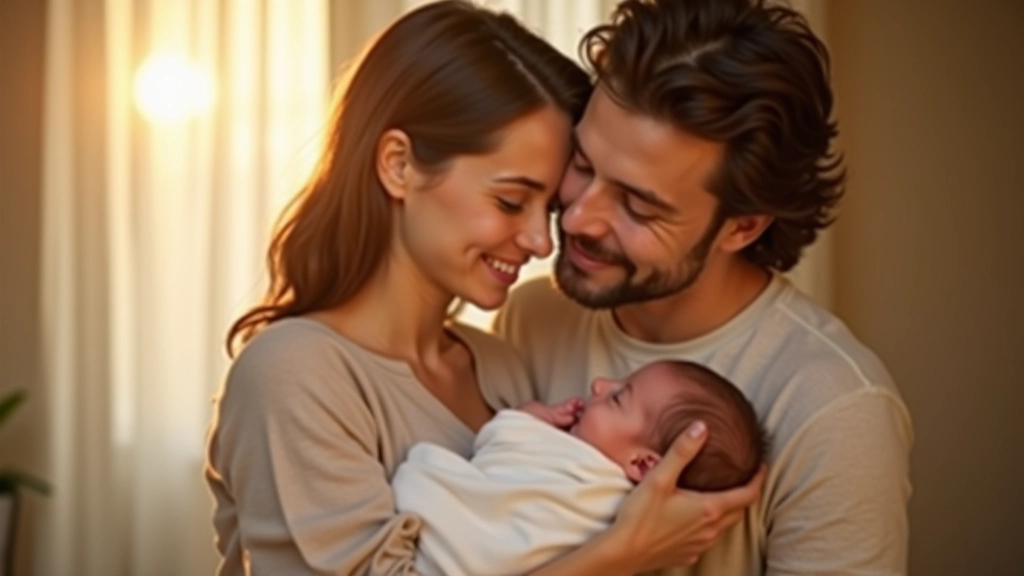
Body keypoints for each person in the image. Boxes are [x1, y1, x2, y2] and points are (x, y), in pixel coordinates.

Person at [204, 2, 763, 575]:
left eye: (548, 206)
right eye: (510, 202)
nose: (542, 242)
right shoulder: (294, 374)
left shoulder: (500, 367)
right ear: (399, 165)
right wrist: (618, 556)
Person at [495, 0, 914, 574]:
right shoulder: (533, 319)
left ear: (742, 226)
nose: (576, 220)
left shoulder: (833, 407)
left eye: (639, 205)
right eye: (585, 165)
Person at [392, 359, 767, 576]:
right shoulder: (629, 514)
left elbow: (500, 439)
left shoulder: (592, 483)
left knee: (423, 469)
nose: (600, 383)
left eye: (619, 397)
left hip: (455, 556)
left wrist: (529, 418)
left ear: (643, 464)